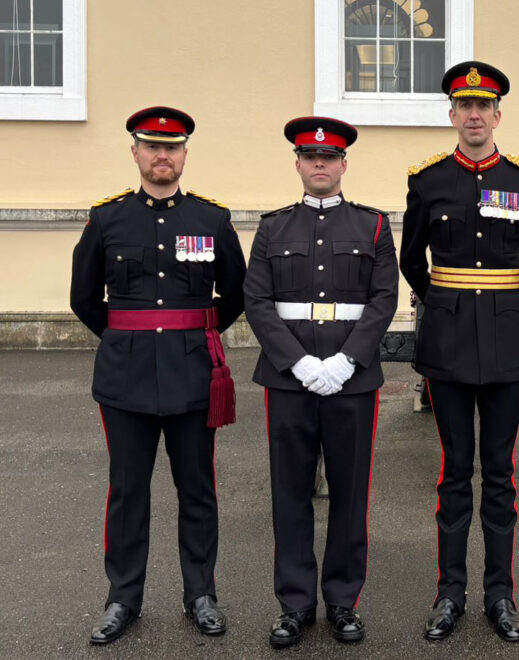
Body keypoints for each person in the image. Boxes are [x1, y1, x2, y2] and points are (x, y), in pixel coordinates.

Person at [70, 106, 246, 644]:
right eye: (151, 146)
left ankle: (201, 594)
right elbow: (83, 298)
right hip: (125, 380)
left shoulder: (211, 220)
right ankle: (123, 598)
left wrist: (194, 336)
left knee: (197, 490)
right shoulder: (107, 219)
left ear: (185, 155)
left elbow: (235, 294)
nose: (161, 155)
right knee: (128, 491)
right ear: (136, 153)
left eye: (171, 147)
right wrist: (128, 339)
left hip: (194, 376)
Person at [400, 61, 519, 642]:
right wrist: (447, 305)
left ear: (498, 114)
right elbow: (414, 259)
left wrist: (503, 309)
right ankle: (449, 594)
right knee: (454, 472)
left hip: (507, 341)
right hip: (449, 341)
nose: (474, 115)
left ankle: (501, 596)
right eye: (464, 106)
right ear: (452, 115)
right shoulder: (428, 179)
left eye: (484, 106)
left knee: (502, 475)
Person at [243, 116, 398, 648]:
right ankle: (294, 604)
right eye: (311, 158)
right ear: (298, 165)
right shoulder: (272, 228)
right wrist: (299, 363)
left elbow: (383, 301)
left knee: (351, 496)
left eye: (329, 158)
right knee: (290, 495)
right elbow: (257, 302)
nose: (320, 166)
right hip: (290, 382)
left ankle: (342, 601)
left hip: (351, 382)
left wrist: (347, 360)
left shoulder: (373, 227)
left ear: (343, 165)